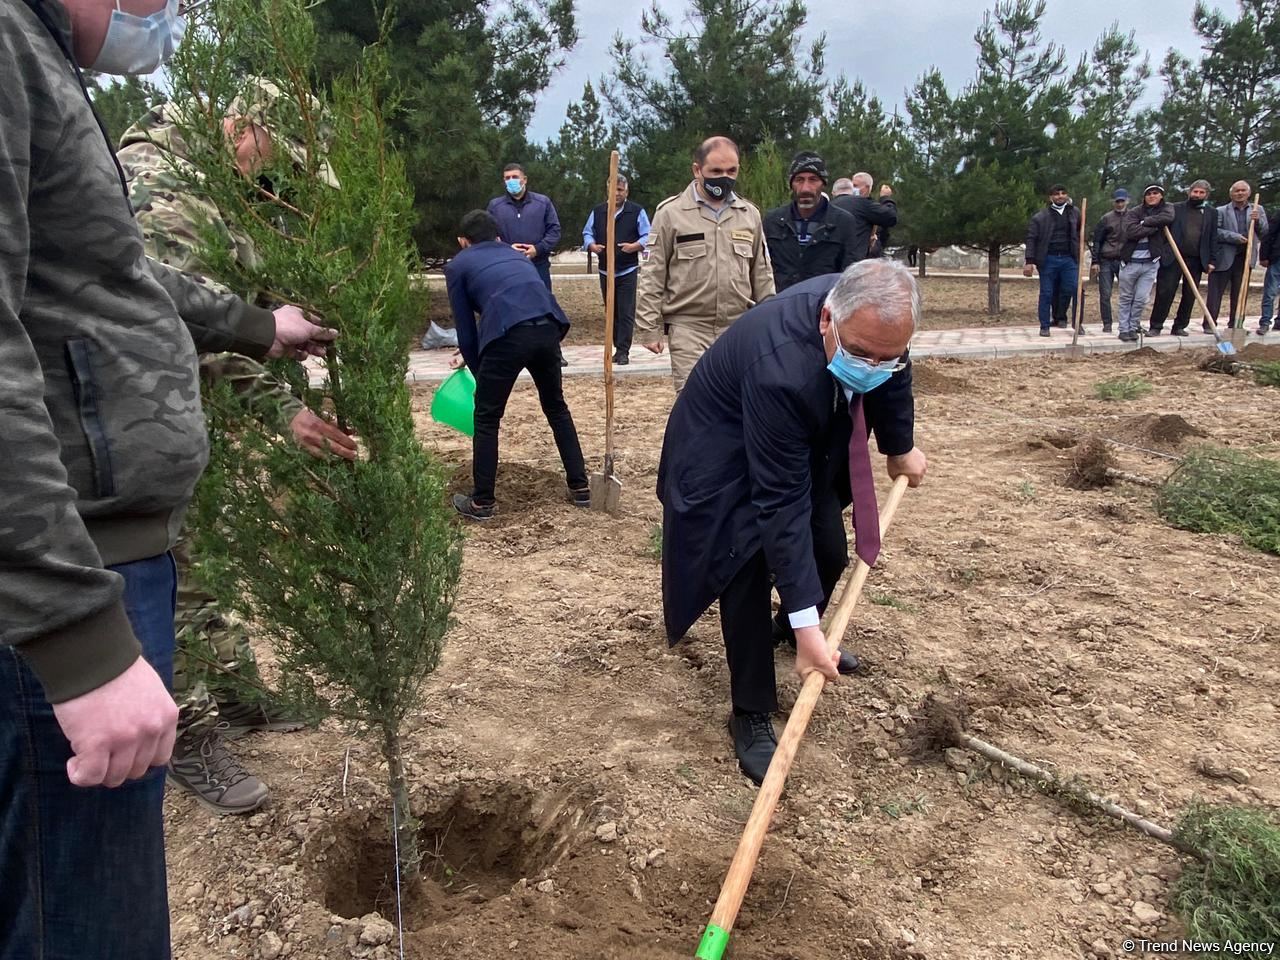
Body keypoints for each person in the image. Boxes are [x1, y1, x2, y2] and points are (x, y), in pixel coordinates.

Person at [1, 2, 336, 956]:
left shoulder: (42, 59)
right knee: (85, 923)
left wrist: (258, 324)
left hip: (104, 538)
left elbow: (119, 281)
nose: (163, 16)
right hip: (68, 564)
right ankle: (195, 728)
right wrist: (78, 639)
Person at [117, 77, 358, 815]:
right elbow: (177, 325)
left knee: (204, 553)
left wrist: (281, 394)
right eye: (274, 161)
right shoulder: (162, 185)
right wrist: (278, 404)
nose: (270, 181)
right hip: (133, 422)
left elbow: (229, 315)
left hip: (181, 413)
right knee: (170, 563)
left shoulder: (201, 189)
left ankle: (237, 691)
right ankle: (185, 730)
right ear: (243, 129)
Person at [657, 259, 927, 785]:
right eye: (860, 354)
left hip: (792, 443)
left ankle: (791, 627)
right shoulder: (782, 366)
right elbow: (779, 503)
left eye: (884, 357)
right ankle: (751, 712)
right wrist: (812, 628)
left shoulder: (878, 324)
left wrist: (900, 445)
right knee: (746, 567)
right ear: (827, 320)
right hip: (721, 452)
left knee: (828, 548)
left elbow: (895, 374)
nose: (872, 366)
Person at [446, 211, 588, 520]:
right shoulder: (518, 256)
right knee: (556, 407)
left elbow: (467, 331)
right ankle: (580, 487)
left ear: (463, 241)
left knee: (486, 417)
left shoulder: (458, 265)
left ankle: (482, 502)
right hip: (548, 326)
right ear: (497, 236)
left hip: (508, 333)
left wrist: (478, 374)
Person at [635, 136, 774, 391]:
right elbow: (652, 273)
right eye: (716, 171)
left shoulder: (748, 214)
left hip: (737, 327)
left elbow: (762, 274)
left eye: (731, 171)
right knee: (694, 404)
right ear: (697, 170)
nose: (724, 177)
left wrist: (770, 326)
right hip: (689, 328)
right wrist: (648, 328)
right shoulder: (670, 213)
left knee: (737, 402)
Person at [487, 163, 566, 365]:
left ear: (525, 179)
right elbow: (489, 234)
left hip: (537, 265)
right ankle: (511, 352)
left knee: (545, 306)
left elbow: (554, 230)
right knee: (508, 307)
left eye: (515, 176)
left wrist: (537, 249)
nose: (511, 181)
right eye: (506, 178)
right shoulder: (495, 206)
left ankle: (553, 351)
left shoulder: (543, 203)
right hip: (508, 267)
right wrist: (506, 249)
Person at [763, 150, 860, 292]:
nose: (805, 188)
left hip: (823, 307)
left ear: (823, 183)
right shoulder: (773, 221)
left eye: (813, 180)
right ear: (791, 184)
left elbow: (849, 276)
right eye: (799, 180)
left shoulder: (843, 222)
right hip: (782, 305)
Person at [583, 173, 650, 365]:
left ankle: (623, 351)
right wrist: (592, 246)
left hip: (627, 269)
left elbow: (648, 235)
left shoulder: (636, 211)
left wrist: (634, 246)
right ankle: (614, 346)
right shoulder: (598, 211)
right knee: (611, 311)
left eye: (620, 190)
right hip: (605, 270)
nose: (616, 194)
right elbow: (588, 232)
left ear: (626, 191)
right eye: (613, 190)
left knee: (626, 311)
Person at [1147, 179, 1217, 336]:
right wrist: (1163, 251)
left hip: (1196, 259)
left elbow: (1213, 237)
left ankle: (1179, 326)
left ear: (1206, 195)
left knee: (1190, 294)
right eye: (1195, 191)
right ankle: (1156, 326)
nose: (1197, 195)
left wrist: (1212, 260)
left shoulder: (1212, 212)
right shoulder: (1175, 208)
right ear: (1189, 192)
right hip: (1173, 257)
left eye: (1201, 193)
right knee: (1165, 292)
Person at [1115, 184, 1174, 342]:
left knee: (1141, 298)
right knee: (1126, 297)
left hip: (1150, 263)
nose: (1152, 196)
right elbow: (1131, 232)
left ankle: (1134, 326)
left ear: (1161, 195)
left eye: (1156, 193)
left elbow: (1168, 218)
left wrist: (1145, 222)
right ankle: (1124, 329)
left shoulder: (1166, 209)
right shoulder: (1135, 211)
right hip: (1130, 262)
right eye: (1149, 194)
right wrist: (1154, 227)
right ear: (1144, 196)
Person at [1208, 180, 1269, 329]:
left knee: (1240, 294)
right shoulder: (1221, 210)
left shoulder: (1257, 209)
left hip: (1245, 257)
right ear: (1231, 194)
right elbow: (1214, 232)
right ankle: (1209, 324)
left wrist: (1258, 220)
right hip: (1224, 257)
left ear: (1248, 193)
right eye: (1237, 191)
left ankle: (1236, 324)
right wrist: (1233, 237)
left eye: (1243, 190)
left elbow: (1264, 232)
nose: (1240, 193)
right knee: (1215, 294)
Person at [1023, 185, 1082, 337]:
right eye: (1056, 194)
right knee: (1046, 293)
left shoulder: (1075, 213)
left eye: (1063, 193)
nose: (1060, 196)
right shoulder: (1040, 217)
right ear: (1050, 198)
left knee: (1076, 289)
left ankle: (1078, 324)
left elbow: (1080, 233)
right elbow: (1031, 239)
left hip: (1069, 259)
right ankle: (1044, 326)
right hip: (1048, 259)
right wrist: (1029, 260)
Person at [830, 172, 898, 262]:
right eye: (852, 185)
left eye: (855, 185)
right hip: (852, 262)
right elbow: (891, 217)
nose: (852, 189)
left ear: (867, 188)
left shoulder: (831, 204)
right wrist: (885, 198)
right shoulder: (862, 205)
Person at [1090, 188, 1129, 334]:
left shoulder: (1133, 217)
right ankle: (1107, 323)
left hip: (1124, 261)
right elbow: (1097, 240)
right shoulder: (1106, 218)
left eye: (1122, 201)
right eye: (1117, 201)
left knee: (1127, 293)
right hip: (1106, 260)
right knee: (1105, 294)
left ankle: (1127, 323)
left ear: (1127, 201)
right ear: (1113, 202)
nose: (1120, 204)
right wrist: (1095, 261)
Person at [1256, 209, 1280, 336]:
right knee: (1271, 292)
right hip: (1278, 259)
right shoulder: (1278, 214)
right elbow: (1269, 235)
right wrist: (1264, 256)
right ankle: (1265, 322)